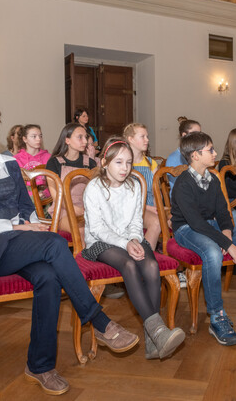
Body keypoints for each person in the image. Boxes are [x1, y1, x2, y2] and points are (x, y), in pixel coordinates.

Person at [0, 101, 138, 396]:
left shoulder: (6, 163)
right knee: (56, 244)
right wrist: (20, 228)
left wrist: (34, 221)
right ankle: (99, 321)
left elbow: (24, 206)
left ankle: (40, 366)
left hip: (18, 244)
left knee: (48, 276)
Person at [82, 137, 185, 359]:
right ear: (104, 162)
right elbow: (97, 228)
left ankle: (152, 342)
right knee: (129, 264)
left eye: (129, 163)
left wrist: (135, 239)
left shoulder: (134, 185)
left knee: (149, 263)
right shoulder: (94, 188)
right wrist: (125, 243)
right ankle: (157, 332)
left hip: (130, 237)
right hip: (101, 242)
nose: (125, 168)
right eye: (118, 162)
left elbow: (136, 222)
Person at [171, 131, 236, 345]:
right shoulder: (183, 184)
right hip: (187, 230)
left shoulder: (212, 179)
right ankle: (217, 316)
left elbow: (223, 213)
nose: (215, 153)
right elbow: (196, 223)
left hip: (213, 226)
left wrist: (227, 234)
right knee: (211, 252)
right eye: (210, 150)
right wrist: (227, 244)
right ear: (195, 155)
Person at [46, 123, 97, 236]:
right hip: (62, 210)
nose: (85, 141)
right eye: (80, 137)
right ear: (67, 140)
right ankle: (80, 254)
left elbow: (97, 191)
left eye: (86, 137)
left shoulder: (90, 163)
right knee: (82, 231)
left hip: (86, 209)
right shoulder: (54, 163)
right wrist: (74, 208)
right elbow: (55, 195)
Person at [123, 123, 160, 250]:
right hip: (131, 210)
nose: (147, 140)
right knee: (156, 222)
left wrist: (158, 207)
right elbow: (123, 196)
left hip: (150, 208)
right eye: (142, 136)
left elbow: (156, 193)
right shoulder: (124, 163)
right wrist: (148, 208)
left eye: (147, 136)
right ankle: (145, 258)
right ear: (130, 139)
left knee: (177, 218)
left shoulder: (151, 163)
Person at [14, 124, 51, 199]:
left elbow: (54, 181)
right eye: (34, 136)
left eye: (40, 136)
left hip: (45, 195)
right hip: (25, 195)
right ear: (25, 139)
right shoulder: (16, 159)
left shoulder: (48, 157)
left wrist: (45, 193)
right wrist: (32, 194)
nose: (38, 139)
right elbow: (15, 185)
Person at [165, 116, 201, 188]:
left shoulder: (199, 154)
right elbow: (179, 187)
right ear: (184, 135)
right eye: (195, 134)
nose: (199, 138)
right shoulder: (174, 158)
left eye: (200, 134)